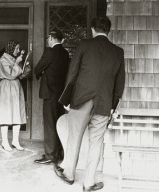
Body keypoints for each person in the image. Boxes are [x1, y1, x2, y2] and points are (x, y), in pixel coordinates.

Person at [54, 16, 125, 192]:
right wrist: (113, 107)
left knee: (74, 137)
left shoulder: (84, 45)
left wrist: (66, 100)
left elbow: (72, 74)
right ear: (109, 31)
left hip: (81, 100)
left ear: (93, 29)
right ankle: (88, 183)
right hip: (104, 103)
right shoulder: (118, 52)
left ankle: (69, 174)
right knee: (96, 142)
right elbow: (120, 84)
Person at [34, 30, 69, 164]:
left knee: (49, 125)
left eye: (49, 37)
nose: (47, 40)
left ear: (54, 38)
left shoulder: (49, 52)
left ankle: (50, 155)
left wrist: (43, 72)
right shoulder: (65, 53)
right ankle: (59, 152)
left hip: (49, 94)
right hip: (61, 94)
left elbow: (38, 69)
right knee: (58, 123)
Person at [0, 40, 26, 152]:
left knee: (17, 113)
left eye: (18, 48)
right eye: (17, 48)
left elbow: (20, 74)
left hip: (15, 87)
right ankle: (4, 141)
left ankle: (15, 141)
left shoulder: (13, 59)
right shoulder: (3, 59)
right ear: (11, 48)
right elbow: (11, 74)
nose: (18, 51)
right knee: (6, 114)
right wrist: (17, 63)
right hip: (6, 87)